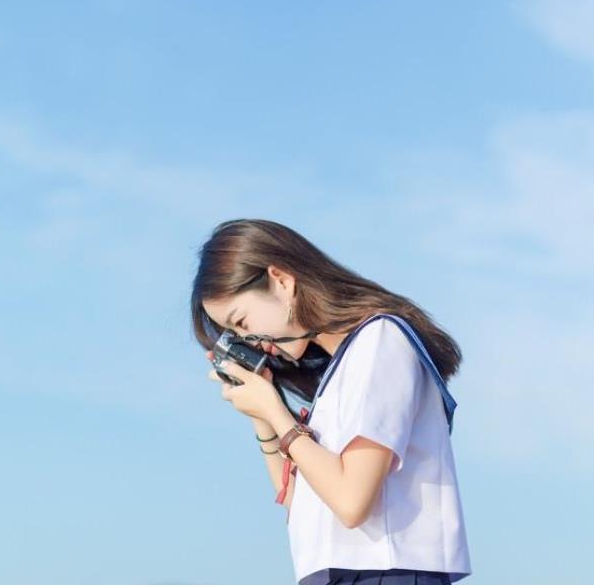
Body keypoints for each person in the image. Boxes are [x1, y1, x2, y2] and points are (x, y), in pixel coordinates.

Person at [192, 218, 472, 584]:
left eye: (242, 322)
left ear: (281, 280)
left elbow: (351, 502)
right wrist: (261, 417)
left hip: (384, 574)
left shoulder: (380, 340)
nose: (252, 340)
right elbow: (299, 506)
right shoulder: (336, 376)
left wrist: (278, 415)